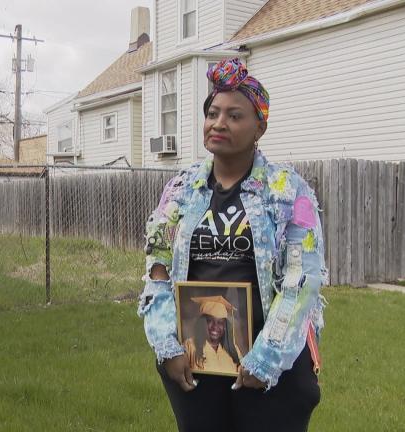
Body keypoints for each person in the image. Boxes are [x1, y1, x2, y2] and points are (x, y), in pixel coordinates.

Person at [137, 58, 326, 432]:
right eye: (212, 113)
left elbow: (301, 283)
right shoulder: (179, 192)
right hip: (198, 361)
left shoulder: (289, 192)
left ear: (260, 126)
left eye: (235, 115)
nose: (219, 123)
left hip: (272, 368)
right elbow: (157, 272)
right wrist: (167, 347)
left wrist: (265, 360)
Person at [183, 296, 242, 375]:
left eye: (220, 322)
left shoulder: (233, 350)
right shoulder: (190, 346)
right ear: (202, 323)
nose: (215, 326)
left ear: (225, 326)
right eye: (210, 320)